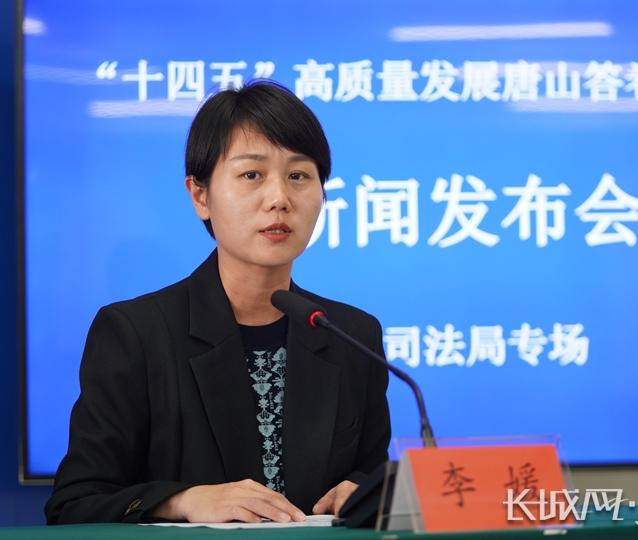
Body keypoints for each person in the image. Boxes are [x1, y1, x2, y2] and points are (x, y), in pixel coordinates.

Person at [45, 81, 391, 524]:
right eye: (252, 175)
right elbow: (74, 505)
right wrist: (183, 501)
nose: (279, 199)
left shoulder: (351, 335)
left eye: (299, 176)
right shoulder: (136, 334)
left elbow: (368, 474)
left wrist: (364, 493)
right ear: (200, 196)